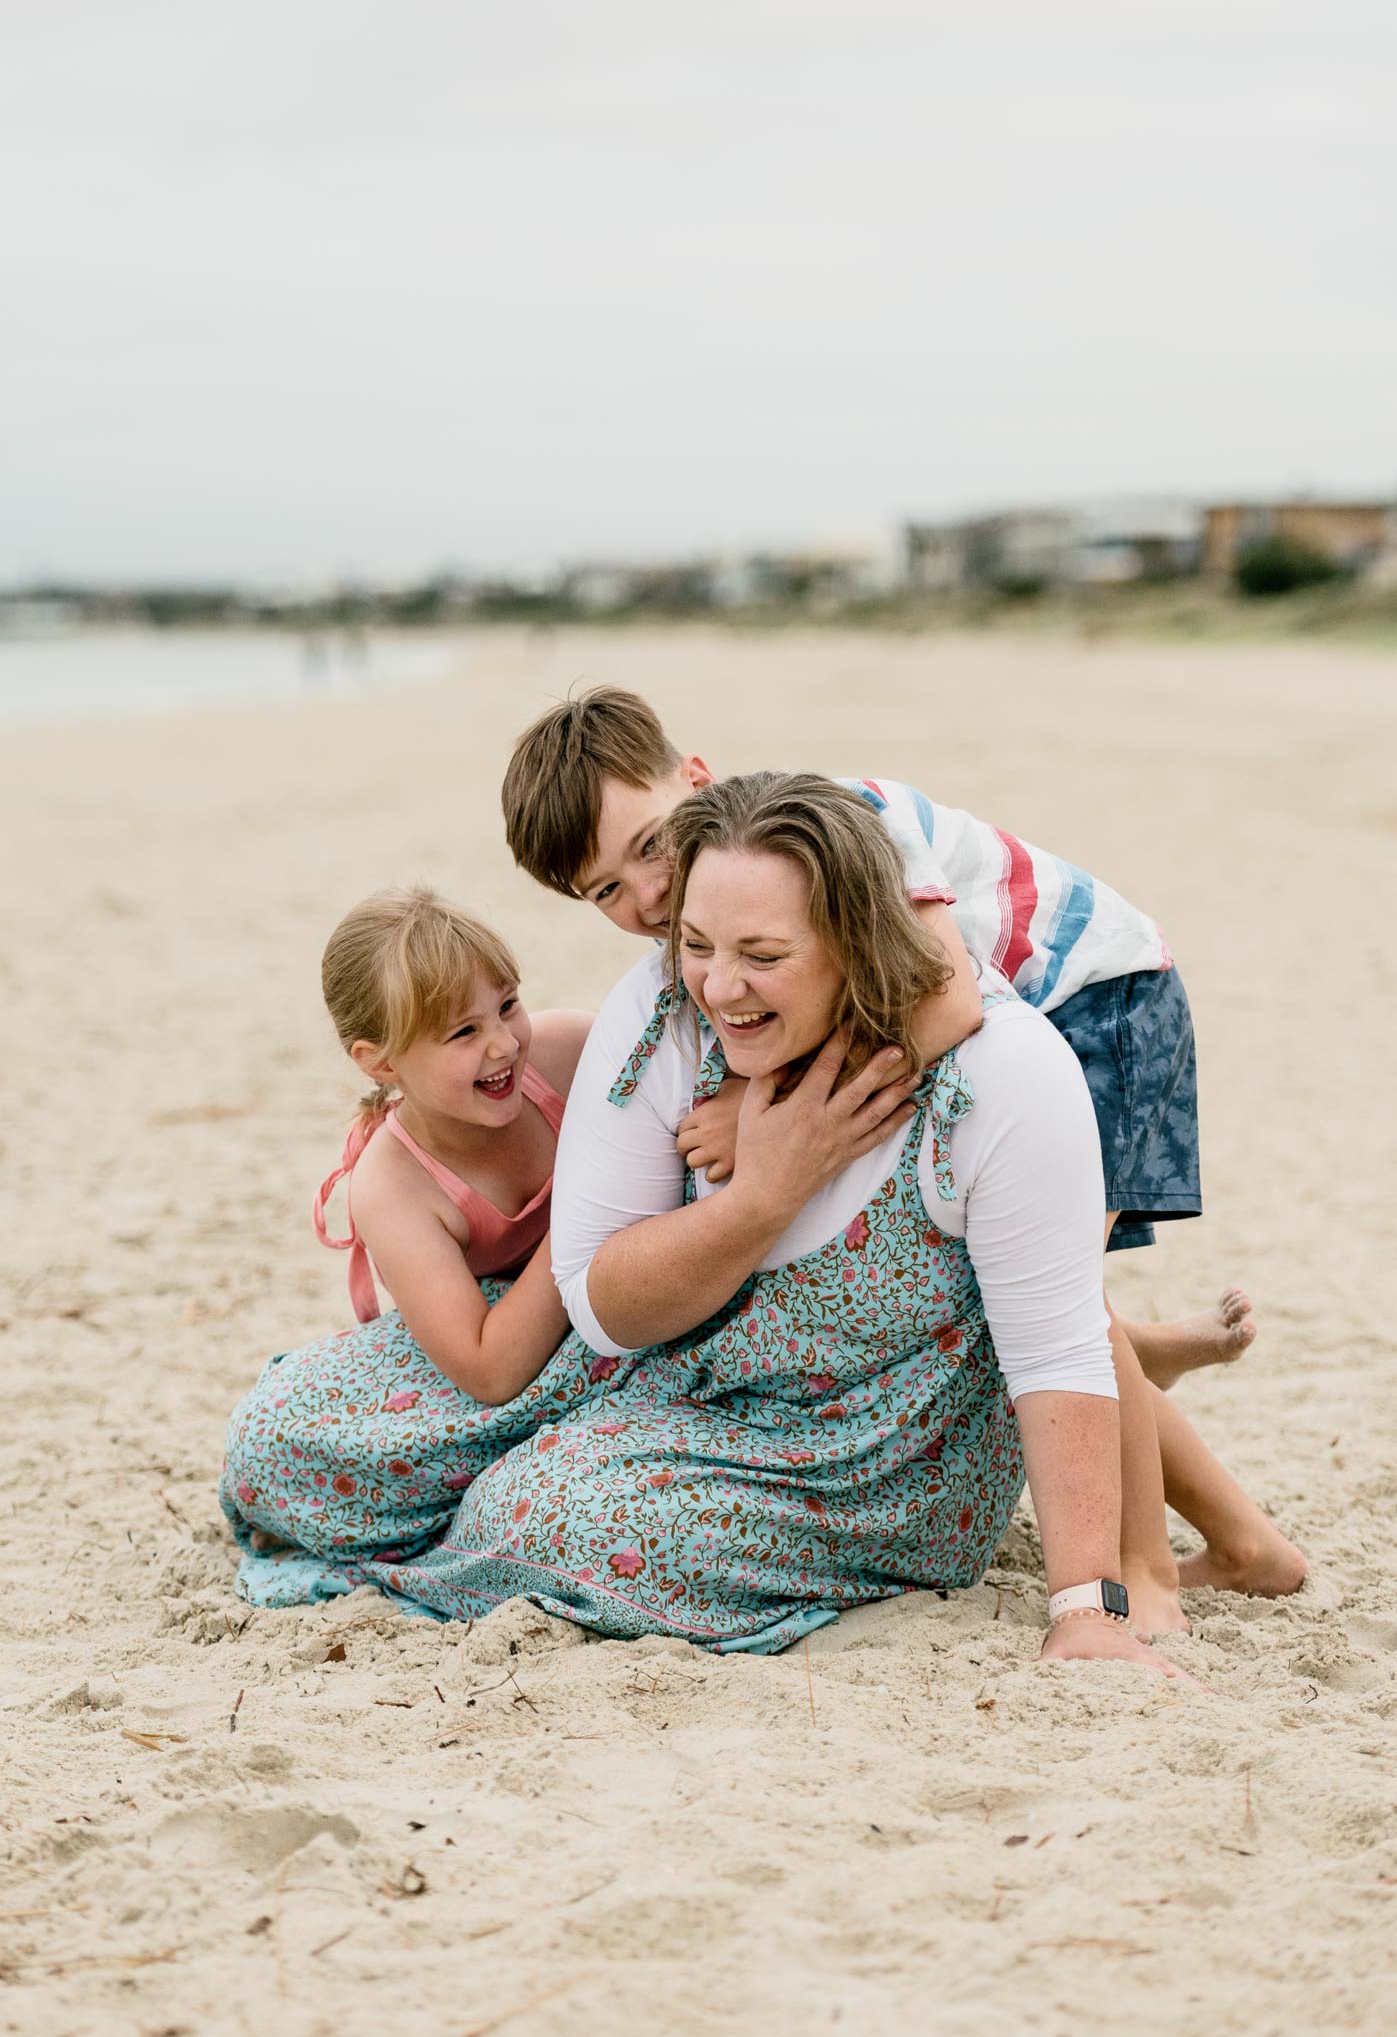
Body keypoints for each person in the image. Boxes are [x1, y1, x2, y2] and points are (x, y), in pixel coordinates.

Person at [499, 688, 1277, 1632]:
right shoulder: (735, 899)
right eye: (606, 892)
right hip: (1053, 1005)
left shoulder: (846, 831)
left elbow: (947, 1005)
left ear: (695, 780)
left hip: (1098, 997)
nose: (650, 895)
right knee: (1063, 1301)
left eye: (652, 847)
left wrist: (758, 1107)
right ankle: (1244, 1540)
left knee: (1065, 1306)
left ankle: (1140, 1572)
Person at [220, 887, 596, 1597]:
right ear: (381, 1062)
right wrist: (586, 1213)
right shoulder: (392, 1184)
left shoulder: (569, 1053)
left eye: (508, 1005)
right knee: (271, 1436)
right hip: (509, 1347)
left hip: (614, 1303)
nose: (503, 1044)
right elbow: (487, 1372)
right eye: (463, 1033)